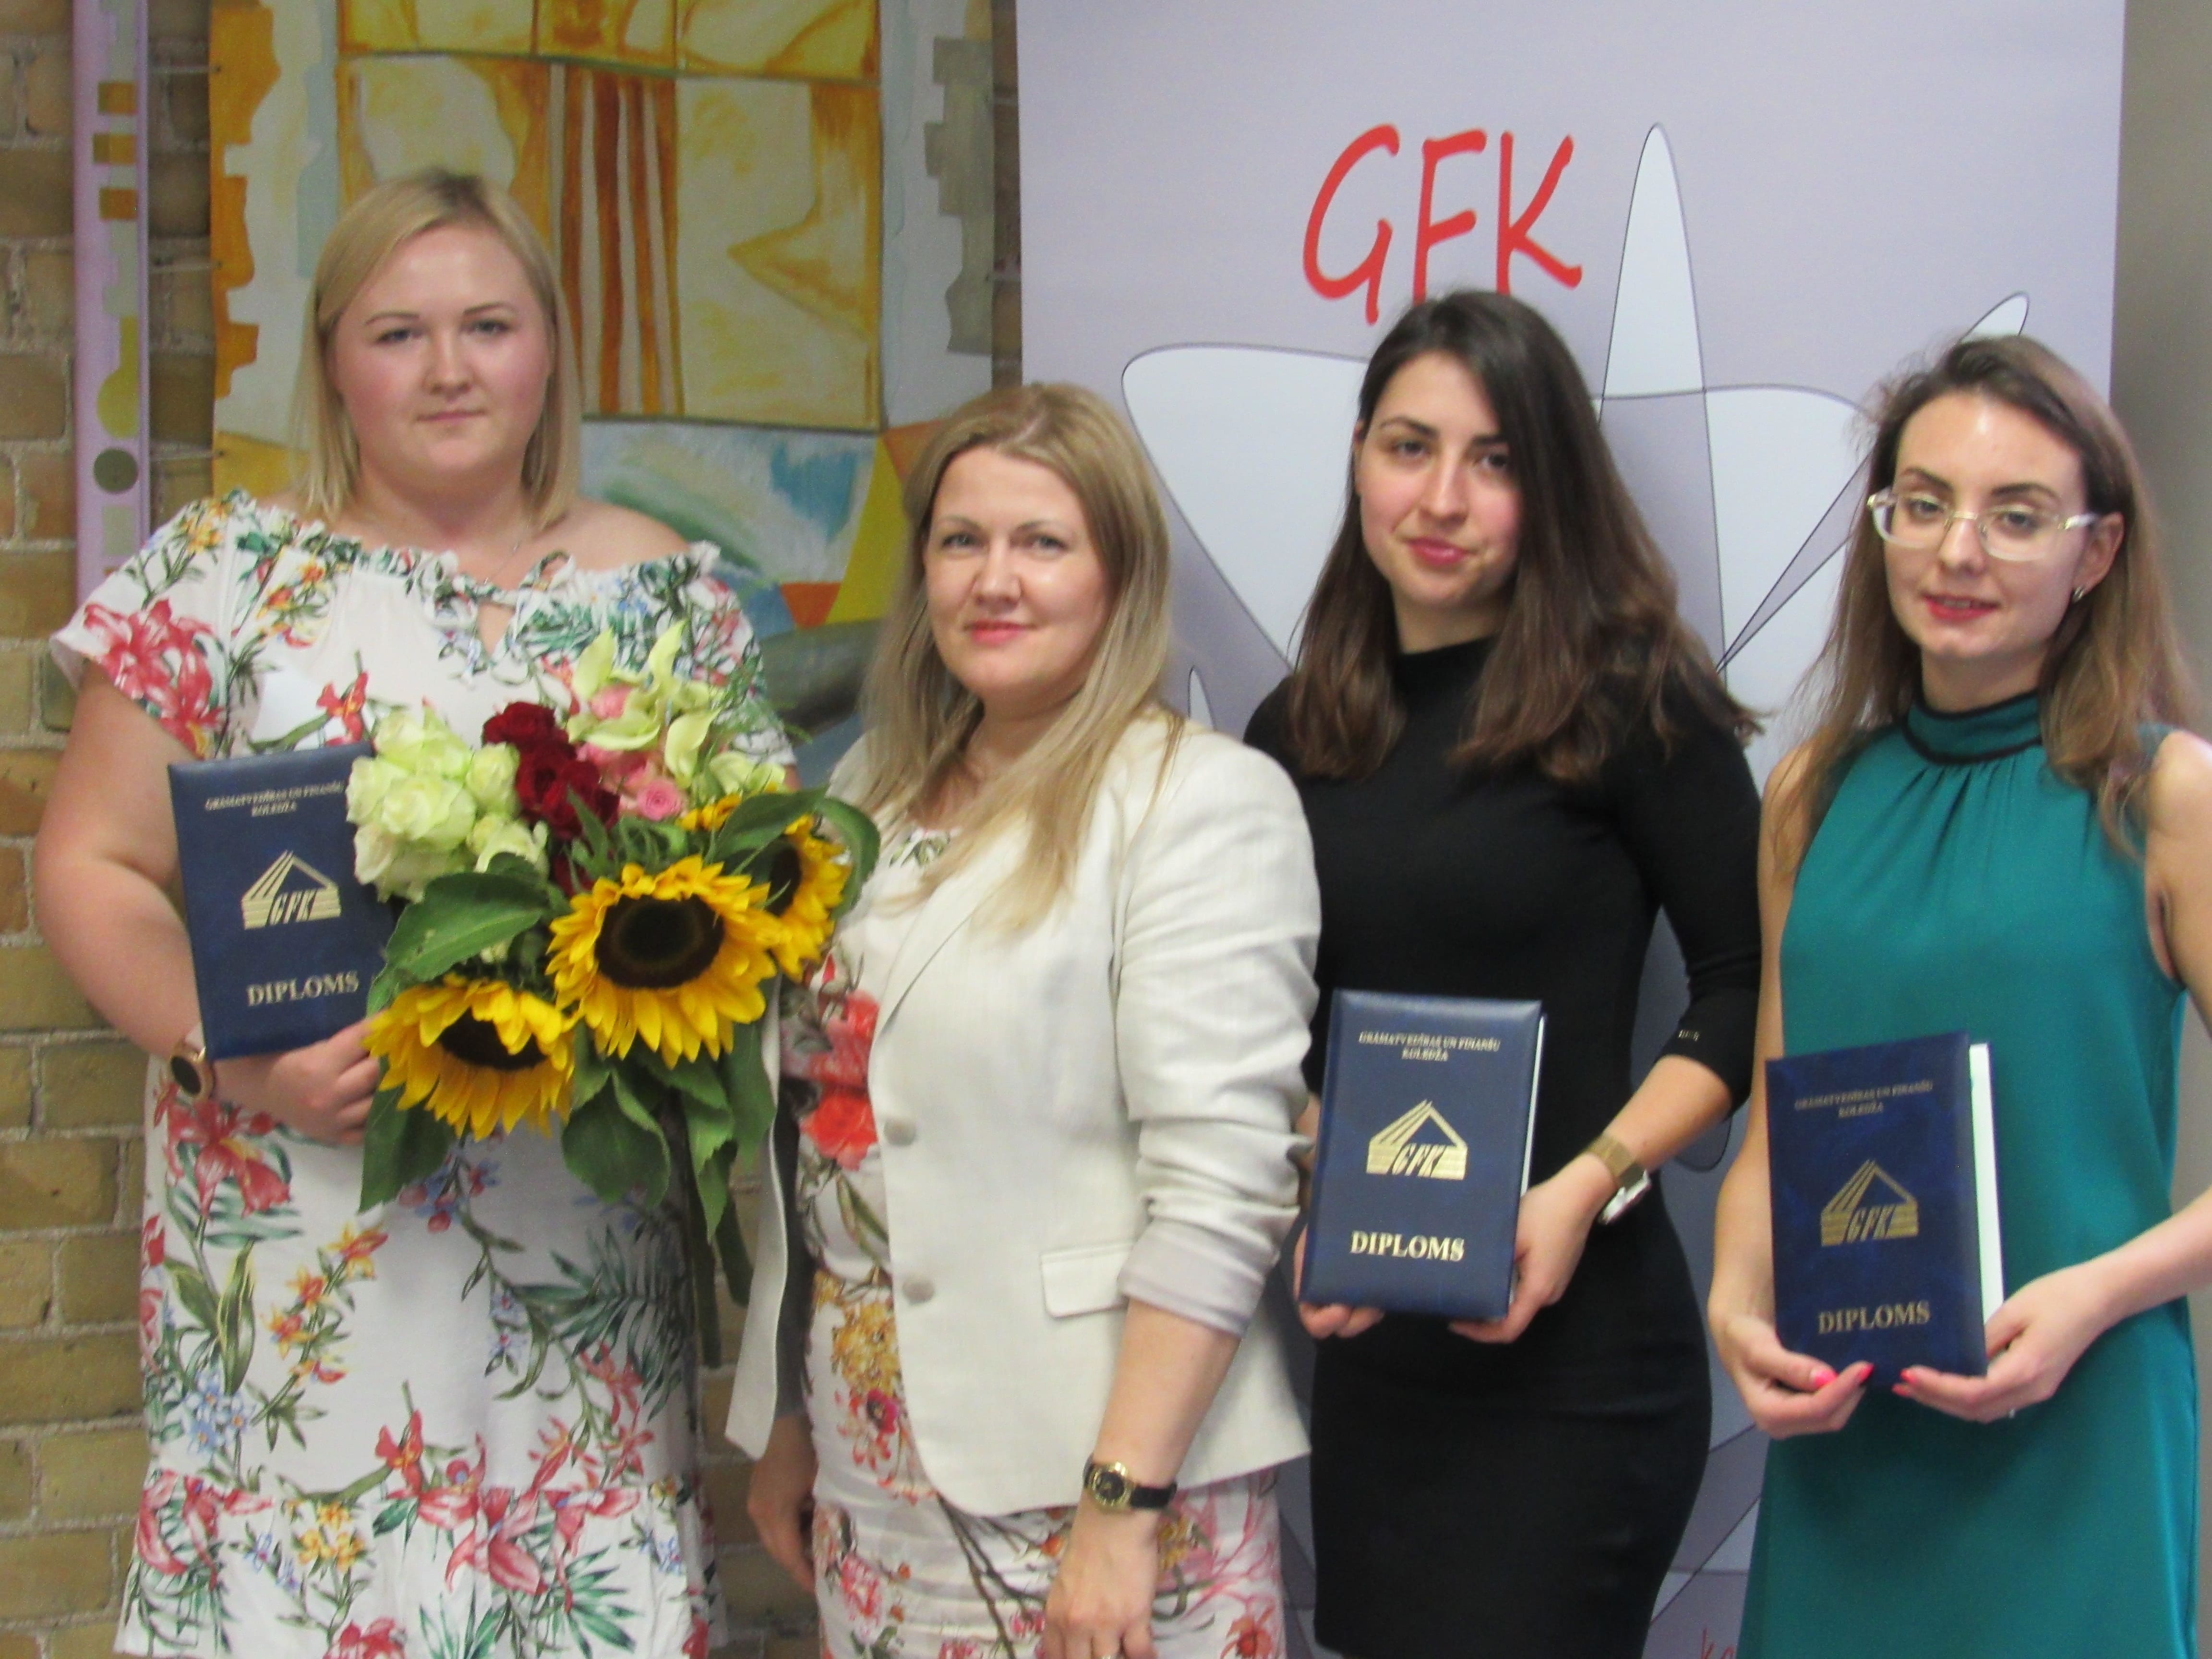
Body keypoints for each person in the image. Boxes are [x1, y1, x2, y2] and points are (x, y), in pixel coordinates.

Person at [36, 169, 791, 1656]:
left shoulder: (665, 595)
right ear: (333, 359)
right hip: (306, 1233)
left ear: (549, 347)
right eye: (399, 333)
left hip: (572, 1241)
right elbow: (90, 869)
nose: (450, 369)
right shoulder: (226, 580)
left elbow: (756, 891)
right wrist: (229, 1058)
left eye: (488, 326)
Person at [728, 383, 1318, 1659]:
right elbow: (820, 1133)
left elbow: (1223, 1187)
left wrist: (1120, 1507)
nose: (993, 580)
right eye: (962, 541)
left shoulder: (1200, 803)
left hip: (1100, 1480)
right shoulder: (869, 792)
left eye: (1042, 543)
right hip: (875, 1471)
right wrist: (789, 1419)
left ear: (1120, 575)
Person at [1243, 289, 1763, 1659]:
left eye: (1496, 461)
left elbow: (1740, 991)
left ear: (1552, 488)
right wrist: (1323, 1174)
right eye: (1409, 448)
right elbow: (1264, 1028)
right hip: (1377, 1354)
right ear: (1359, 457)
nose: (1443, 499)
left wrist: (1587, 1186)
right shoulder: (1293, 731)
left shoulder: (1633, 702)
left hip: (1584, 1363)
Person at [1707, 334, 2209, 1657]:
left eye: (2017, 516)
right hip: (1854, 1442)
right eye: (1923, 505)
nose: (1958, 551)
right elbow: (1775, 1124)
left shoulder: (2166, 795)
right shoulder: (1811, 795)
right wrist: (1735, 1300)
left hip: (2079, 1426)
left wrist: (2094, 1297)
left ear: (2097, 552)